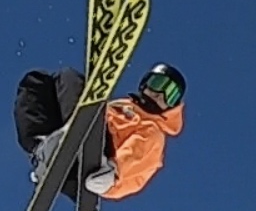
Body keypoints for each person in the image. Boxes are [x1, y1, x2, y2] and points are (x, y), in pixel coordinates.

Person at [12, 63, 186, 202]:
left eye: (170, 95)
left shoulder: (153, 131)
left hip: (98, 163)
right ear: (145, 83)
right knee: (37, 81)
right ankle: (44, 149)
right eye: (158, 84)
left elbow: (137, 159)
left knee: (70, 78)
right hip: (68, 157)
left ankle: (78, 143)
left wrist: (113, 174)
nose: (160, 95)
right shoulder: (121, 105)